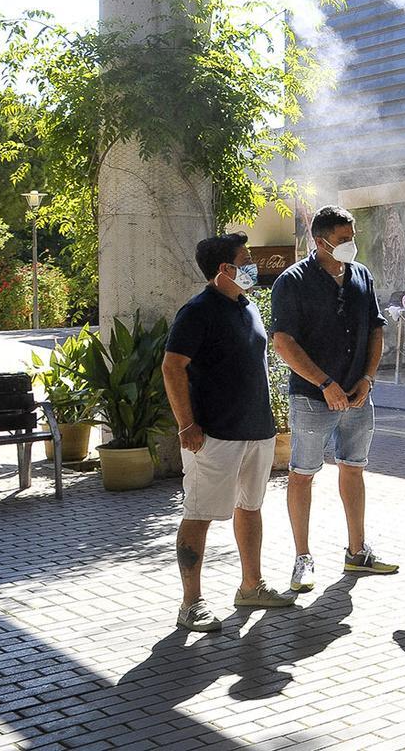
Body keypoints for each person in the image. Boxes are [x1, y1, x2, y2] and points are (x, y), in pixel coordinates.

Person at [162, 232, 295, 632]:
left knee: (250, 508)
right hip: (213, 435)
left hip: (256, 431)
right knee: (199, 514)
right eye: (246, 258)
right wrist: (186, 425)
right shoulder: (197, 311)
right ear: (225, 268)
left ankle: (251, 586)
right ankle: (191, 604)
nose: (253, 264)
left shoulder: (248, 306)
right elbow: (172, 367)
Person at [270, 205, 398, 592]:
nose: (350, 246)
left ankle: (357, 552)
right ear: (319, 240)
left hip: (358, 397)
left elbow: (376, 330)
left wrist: (367, 378)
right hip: (312, 398)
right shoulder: (291, 282)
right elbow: (283, 343)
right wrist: (325, 383)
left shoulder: (361, 276)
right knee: (303, 474)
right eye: (342, 240)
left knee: (354, 468)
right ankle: (302, 558)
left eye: (352, 238)